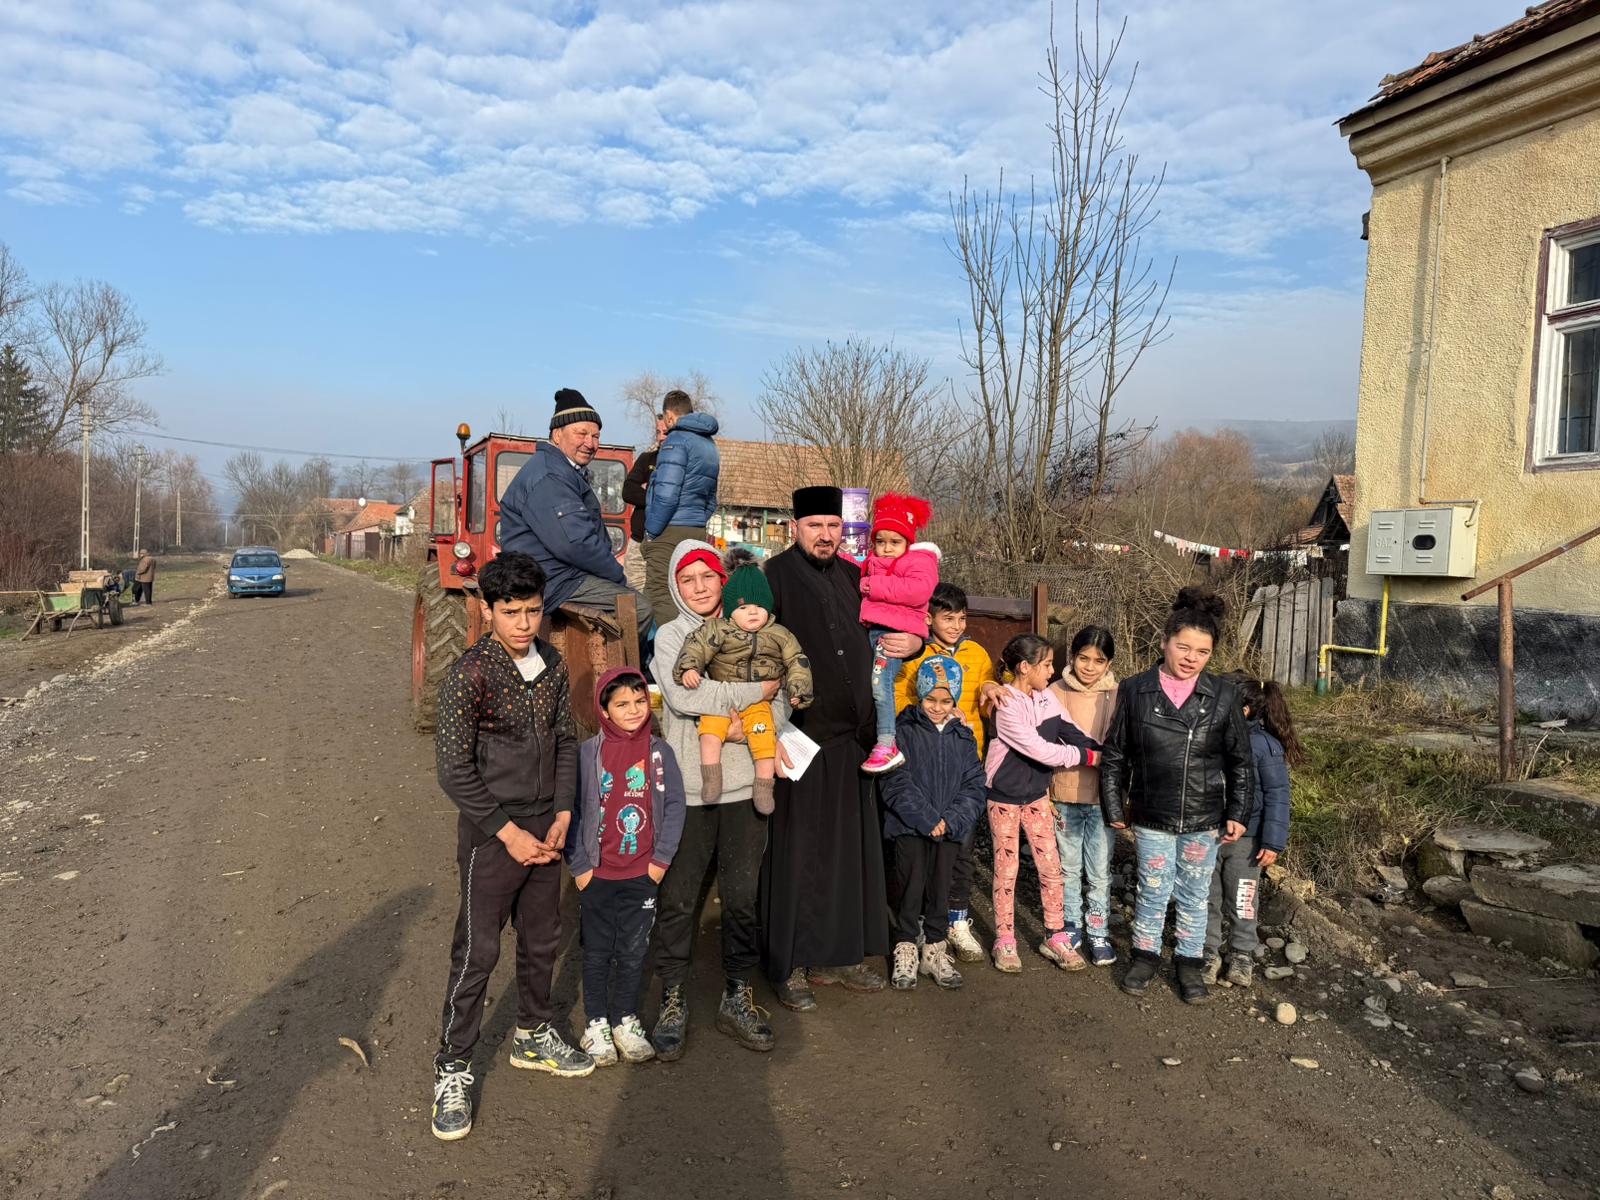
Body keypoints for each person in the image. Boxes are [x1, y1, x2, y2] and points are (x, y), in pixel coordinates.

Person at [430, 553, 593, 1143]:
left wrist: (564, 811)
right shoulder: (470, 675)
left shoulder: (552, 664)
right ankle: (453, 1065)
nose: (524, 623)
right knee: (478, 951)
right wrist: (508, 832)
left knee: (543, 939)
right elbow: (454, 770)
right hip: (492, 835)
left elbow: (566, 739)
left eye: (532, 611)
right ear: (487, 610)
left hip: (546, 827)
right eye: (511, 612)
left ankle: (533, 1033)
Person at [760, 486, 921, 1011]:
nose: (825, 535)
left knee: (850, 854)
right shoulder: (773, 577)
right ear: (795, 528)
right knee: (799, 853)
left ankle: (842, 954)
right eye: (815, 526)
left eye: (833, 526)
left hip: (855, 741)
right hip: (801, 738)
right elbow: (753, 650)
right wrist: (769, 731)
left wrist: (914, 642)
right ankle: (792, 963)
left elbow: (901, 618)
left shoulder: (858, 576)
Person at [649, 540, 781, 1059]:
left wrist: (760, 721)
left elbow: (785, 697)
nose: (700, 587)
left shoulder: (753, 626)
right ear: (676, 587)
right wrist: (754, 699)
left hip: (746, 783)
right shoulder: (671, 637)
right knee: (679, 897)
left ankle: (737, 995)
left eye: (708, 576)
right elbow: (685, 696)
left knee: (742, 896)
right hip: (689, 786)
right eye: (688, 579)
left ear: (723, 581)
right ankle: (672, 996)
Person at [1099, 587, 1253, 1005]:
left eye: (1202, 652)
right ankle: (1145, 957)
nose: (1191, 658)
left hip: (1205, 818)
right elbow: (1115, 754)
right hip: (1153, 814)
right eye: (1183, 647)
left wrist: (1238, 811)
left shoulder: (1224, 694)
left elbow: (1241, 761)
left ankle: (1189, 963)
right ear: (1164, 642)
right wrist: (1114, 804)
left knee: (1195, 895)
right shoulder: (1135, 690)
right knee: (1152, 889)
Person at [568, 668, 686, 1067]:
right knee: (597, 951)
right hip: (597, 874)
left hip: (642, 874)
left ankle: (625, 1020)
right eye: (622, 704)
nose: (633, 710)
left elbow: (674, 806)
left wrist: (660, 861)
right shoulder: (588, 754)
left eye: (639, 701)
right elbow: (572, 810)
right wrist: (580, 866)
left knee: (634, 951)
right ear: (604, 711)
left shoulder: (659, 753)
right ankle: (596, 1024)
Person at [891, 582, 996, 962]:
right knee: (920, 855)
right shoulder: (915, 652)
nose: (956, 625)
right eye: (947, 618)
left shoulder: (976, 653)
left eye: (961, 618)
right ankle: (920, 923)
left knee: (961, 851)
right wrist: (930, 709)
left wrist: (990, 688)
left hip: (962, 765)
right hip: (922, 765)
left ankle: (957, 920)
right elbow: (898, 695)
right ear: (929, 618)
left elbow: (987, 693)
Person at [985, 634, 1102, 974]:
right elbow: (1040, 750)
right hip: (1004, 799)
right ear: (1025, 667)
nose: (1053, 671)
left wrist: (1101, 751)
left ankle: (1055, 935)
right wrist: (1087, 757)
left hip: (1037, 796)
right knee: (1007, 870)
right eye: (1047, 664)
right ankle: (1005, 939)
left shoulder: (1047, 698)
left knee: (1051, 867)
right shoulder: (1006, 703)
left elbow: (1071, 731)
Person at [499, 388, 653, 635]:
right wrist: (618, 576)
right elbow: (576, 544)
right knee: (639, 608)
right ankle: (624, 663)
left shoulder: (562, 470)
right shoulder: (550, 477)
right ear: (557, 435)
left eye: (595, 436)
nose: (590, 443)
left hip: (560, 575)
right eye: (581, 433)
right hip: (551, 581)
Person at [879, 656, 986, 991]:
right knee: (910, 888)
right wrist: (926, 818)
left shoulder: (963, 738)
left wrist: (951, 820)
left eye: (946, 701)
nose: (938, 708)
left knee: (941, 890)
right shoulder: (902, 731)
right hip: (911, 827)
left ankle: (935, 950)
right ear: (920, 695)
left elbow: (975, 785)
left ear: (955, 700)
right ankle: (906, 947)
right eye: (931, 700)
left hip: (949, 831)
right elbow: (894, 779)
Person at [674, 562, 813, 813]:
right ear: (730, 612)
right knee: (709, 733)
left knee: (765, 740)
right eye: (744, 607)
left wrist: (799, 688)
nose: (752, 612)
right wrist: (689, 668)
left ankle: (763, 787)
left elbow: (797, 660)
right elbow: (696, 646)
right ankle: (711, 779)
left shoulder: (780, 634)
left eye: (759, 606)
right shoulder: (719, 629)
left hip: (760, 704)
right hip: (724, 701)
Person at [1204, 675, 1298, 988]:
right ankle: (1208, 951)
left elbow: (1278, 795)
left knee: (1243, 898)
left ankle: (1241, 953)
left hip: (1248, 841)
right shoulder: (1210, 736)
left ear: (1244, 709)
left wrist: (1272, 841)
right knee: (1207, 896)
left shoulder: (1264, 746)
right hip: (1206, 833)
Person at [1047, 625, 1120, 968]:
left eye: (1099, 660)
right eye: (1083, 658)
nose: (1089, 667)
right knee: (1068, 866)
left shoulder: (1118, 694)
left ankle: (1099, 929)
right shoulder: (1054, 692)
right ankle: (1071, 924)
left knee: (1100, 870)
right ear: (1073, 657)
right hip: (1064, 790)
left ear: (1109, 664)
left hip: (1103, 797)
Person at [858, 493, 937, 774]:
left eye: (895, 542)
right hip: (877, 629)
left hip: (893, 632)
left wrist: (872, 586)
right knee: (875, 683)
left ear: (908, 543)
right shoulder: (873, 561)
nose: (887, 549)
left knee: (881, 685)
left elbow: (917, 592)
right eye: (880, 542)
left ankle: (886, 743)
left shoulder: (918, 562)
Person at [643, 390, 720, 628]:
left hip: (669, 529)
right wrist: (697, 520)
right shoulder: (709, 444)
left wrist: (652, 532)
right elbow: (711, 498)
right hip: (696, 529)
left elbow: (666, 495)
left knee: (659, 592)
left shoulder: (676, 440)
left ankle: (669, 648)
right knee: (689, 594)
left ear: (669, 415)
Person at [620, 415, 665, 593]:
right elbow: (628, 491)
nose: (661, 437)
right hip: (638, 542)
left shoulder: (686, 464)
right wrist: (655, 495)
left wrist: (647, 490)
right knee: (634, 593)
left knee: (660, 595)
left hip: (664, 544)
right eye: (658, 432)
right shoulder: (647, 459)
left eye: (666, 432)